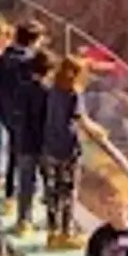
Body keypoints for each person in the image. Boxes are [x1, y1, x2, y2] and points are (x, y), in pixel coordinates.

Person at [0, 22, 47, 222]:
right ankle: (17, 196)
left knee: (8, 153)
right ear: (34, 40)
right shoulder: (28, 63)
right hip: (22, 116)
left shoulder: (4, 57)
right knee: (19, 156)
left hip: (3, 111)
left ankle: (7, 194)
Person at [34, 50, 88, 244]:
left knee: (52, 190)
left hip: (50, 145)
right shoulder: (74, 94)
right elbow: (80, 118)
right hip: (68, 148)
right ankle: (66, 232)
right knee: (68, 191)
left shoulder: (52, 90)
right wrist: (97, 131)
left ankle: (52, 231)